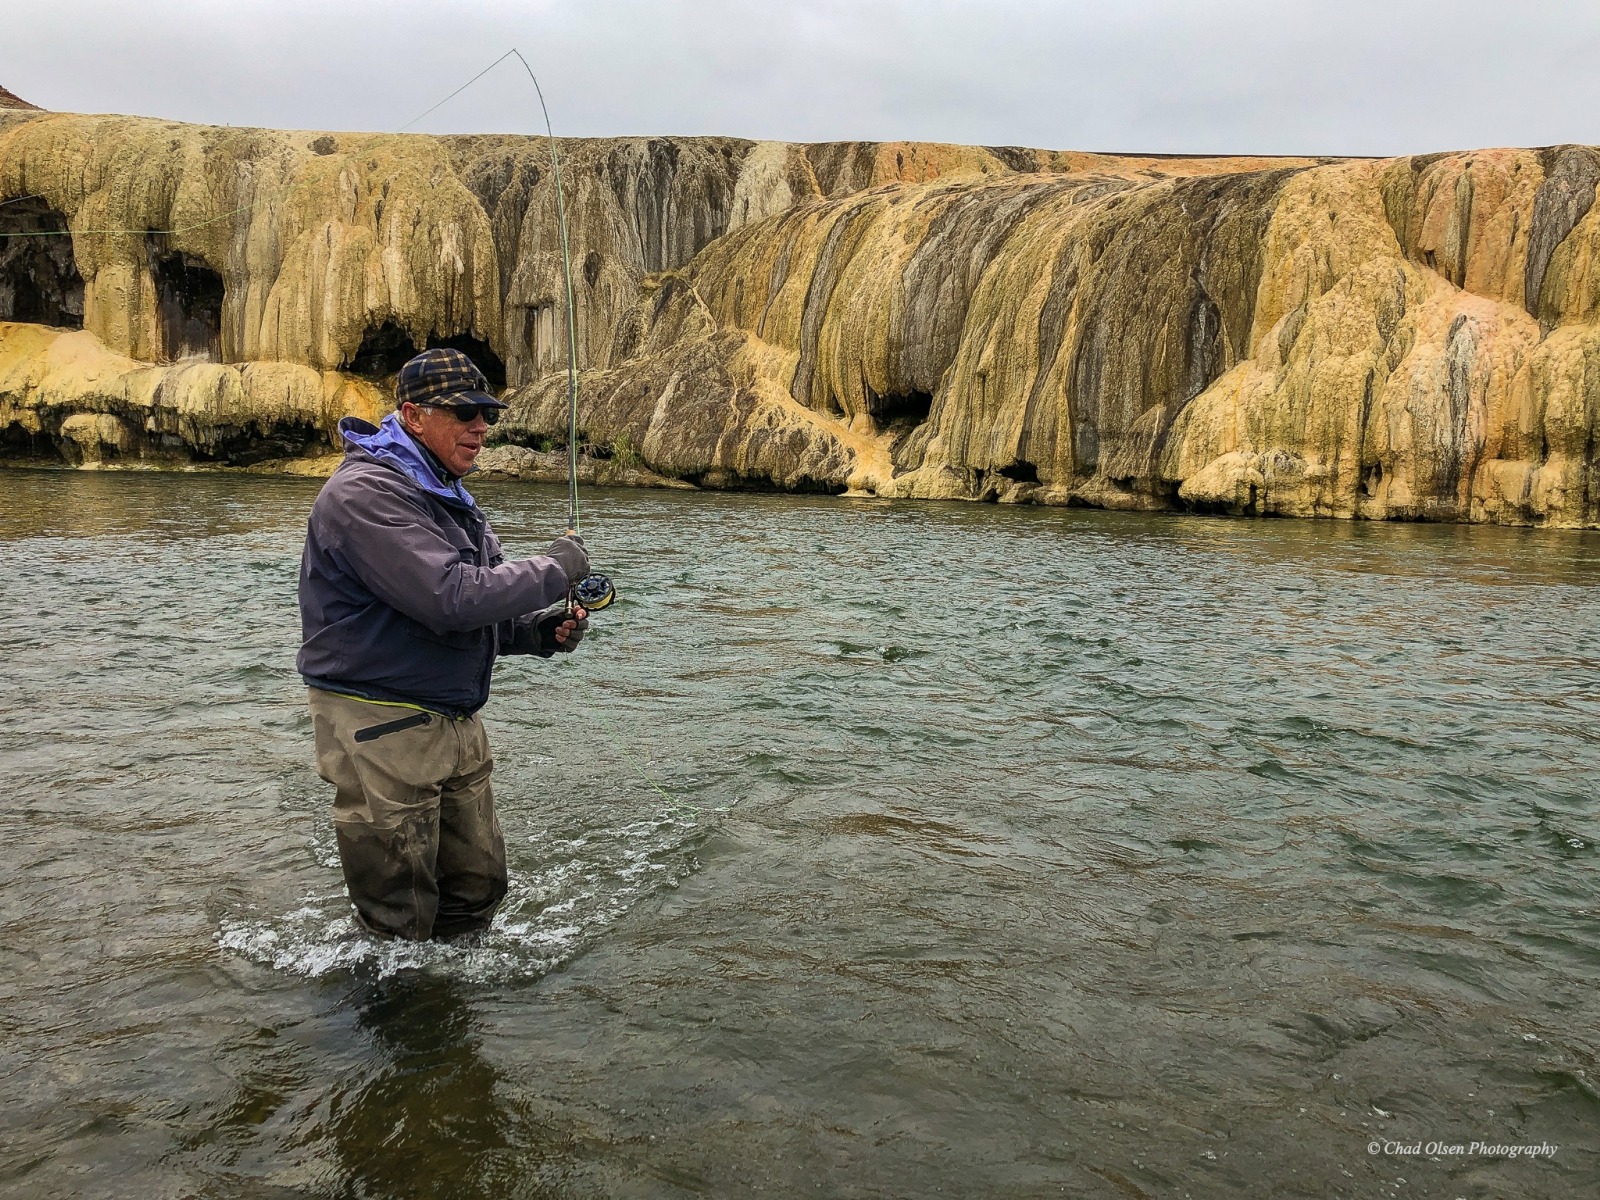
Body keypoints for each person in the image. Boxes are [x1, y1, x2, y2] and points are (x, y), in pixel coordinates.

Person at [296, 347, 590, 942]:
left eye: (487, 414)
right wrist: (555, 569)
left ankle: (457, 1018)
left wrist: (538, 632)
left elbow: (472, 611)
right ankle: (391, 1021)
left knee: (477, 888)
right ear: (412, 414)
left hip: (453, 724)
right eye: (463, 412)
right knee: (397, 915)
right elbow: (449, 596)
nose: (480, 426)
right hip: (382, 726)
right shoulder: (365, 495)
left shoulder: (450, 497)